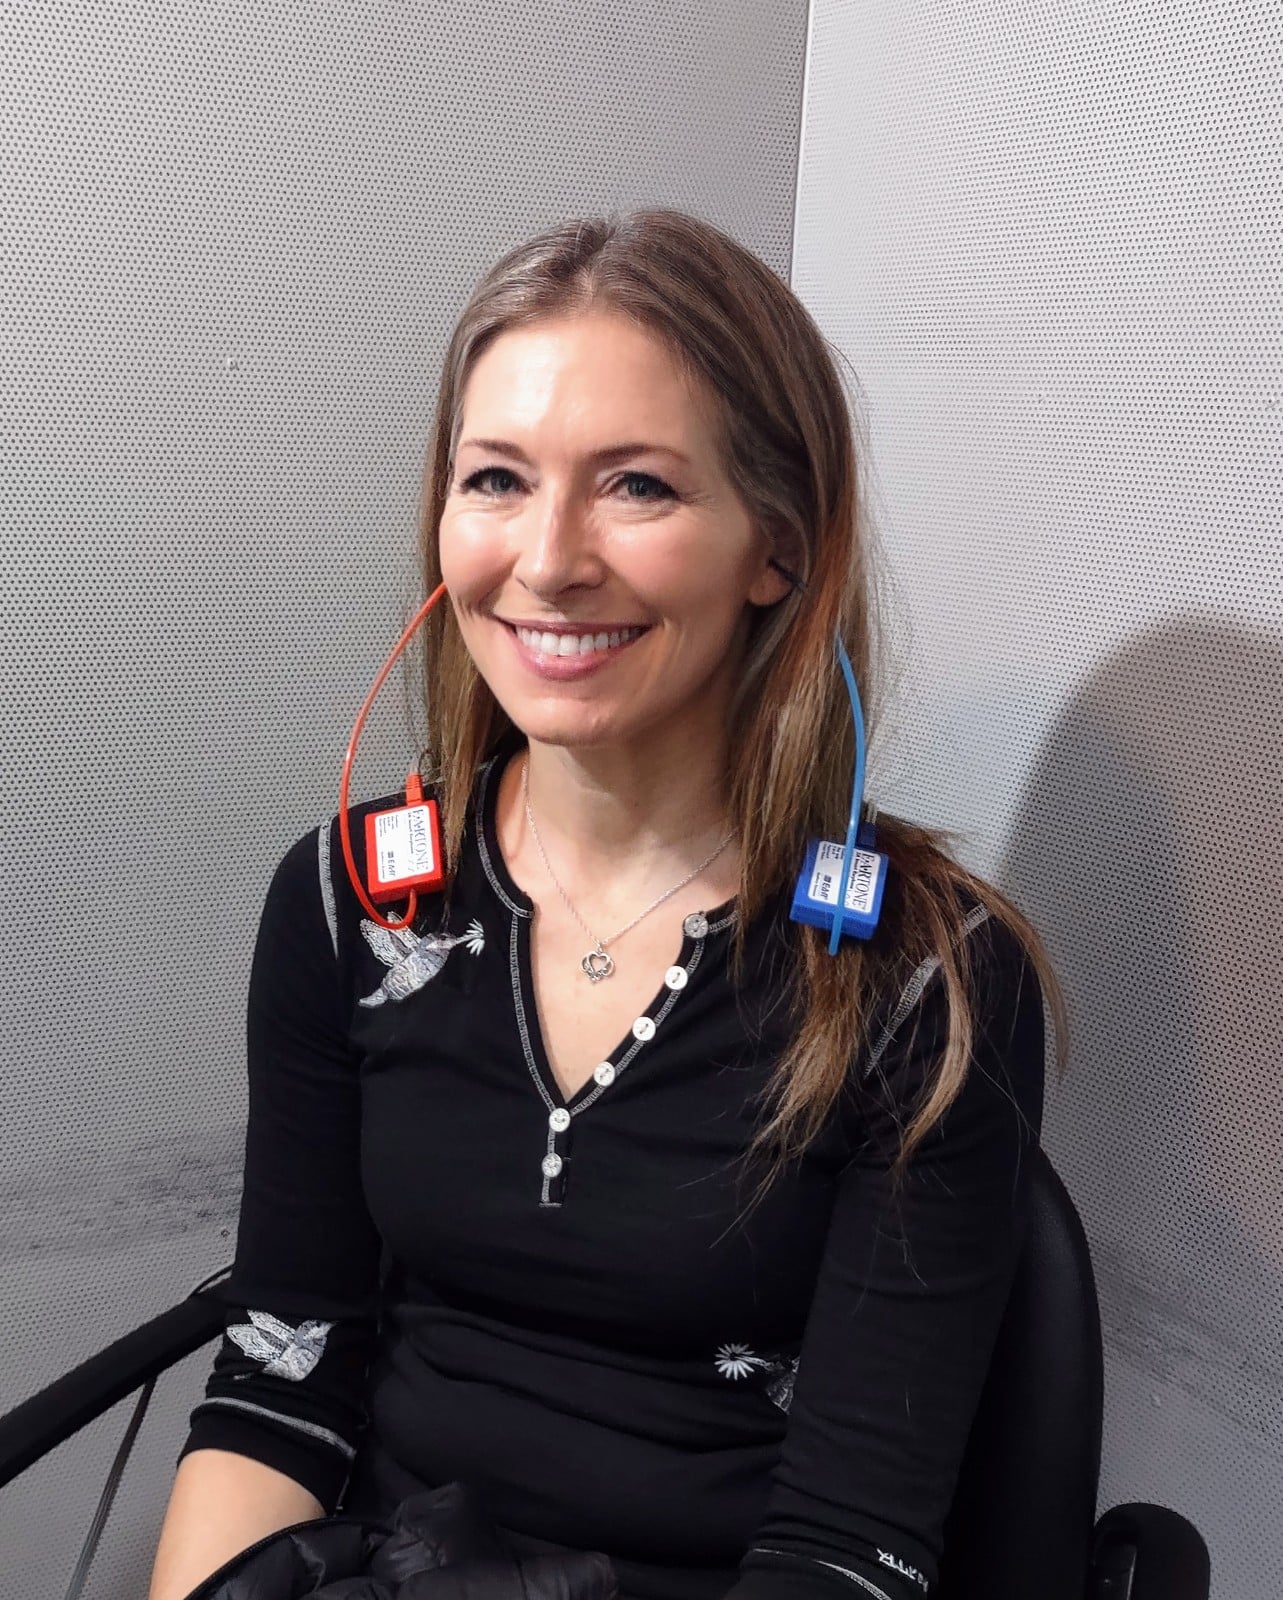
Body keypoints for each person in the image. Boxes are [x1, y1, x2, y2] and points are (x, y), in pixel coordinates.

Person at [148, 207, 1063, 1600]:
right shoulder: (347, 906)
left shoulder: (927, 980)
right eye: (498, 480)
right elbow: (283, 1379)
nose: (549, 558)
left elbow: (845, 1549)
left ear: (780, 545)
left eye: (636, 486)